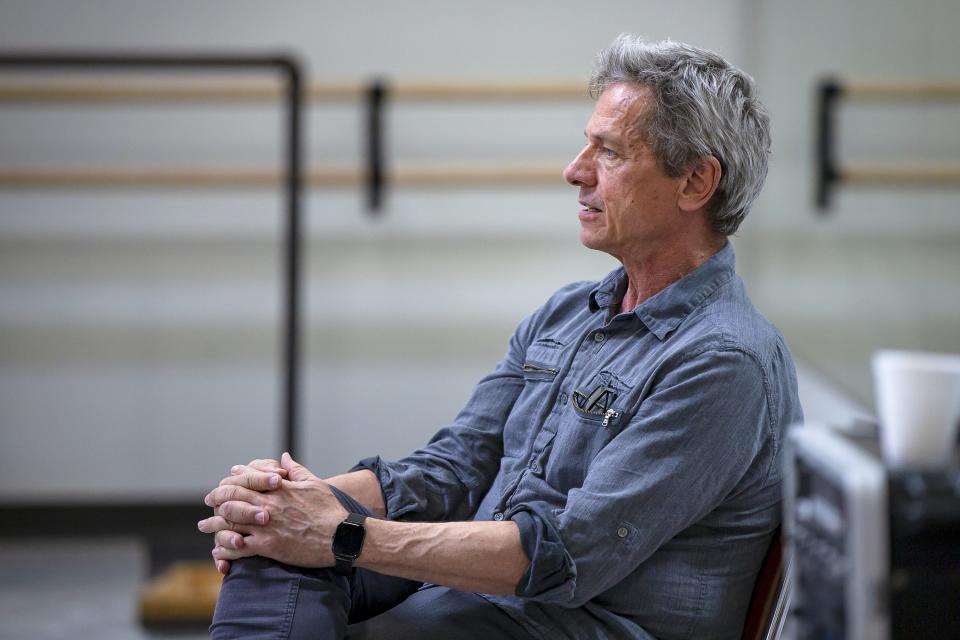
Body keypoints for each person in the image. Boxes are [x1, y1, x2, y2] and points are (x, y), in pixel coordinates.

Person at [199, 35, 803, 640]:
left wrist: (340, 534)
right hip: (483, 596)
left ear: (696, 182)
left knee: (316, 568)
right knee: (270, 551)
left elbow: (569, 556)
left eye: (610, 152)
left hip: (567, 619)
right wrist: (282, 503)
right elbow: (455, 469)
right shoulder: (570, 311)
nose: (575, 171)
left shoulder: (724, 361)